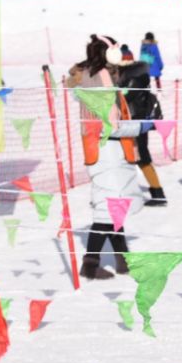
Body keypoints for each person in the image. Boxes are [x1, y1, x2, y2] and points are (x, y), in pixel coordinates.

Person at [66, 35, 146, 280]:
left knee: (114, 206)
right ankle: (90, 264)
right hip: (107, 151)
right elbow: (110, 126)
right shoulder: (100, 78)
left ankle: (123, 259)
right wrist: (142, 127)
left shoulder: (89, 75)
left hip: (100, 149)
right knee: (106, 210)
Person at [117, 44, 167, 207]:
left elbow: (125, 98)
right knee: (133, 157)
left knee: (139, 157)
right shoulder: (138, 75)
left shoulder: (131, 77)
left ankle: (157, 193)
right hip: (136, 121)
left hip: (133, 121)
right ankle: (156, 192)